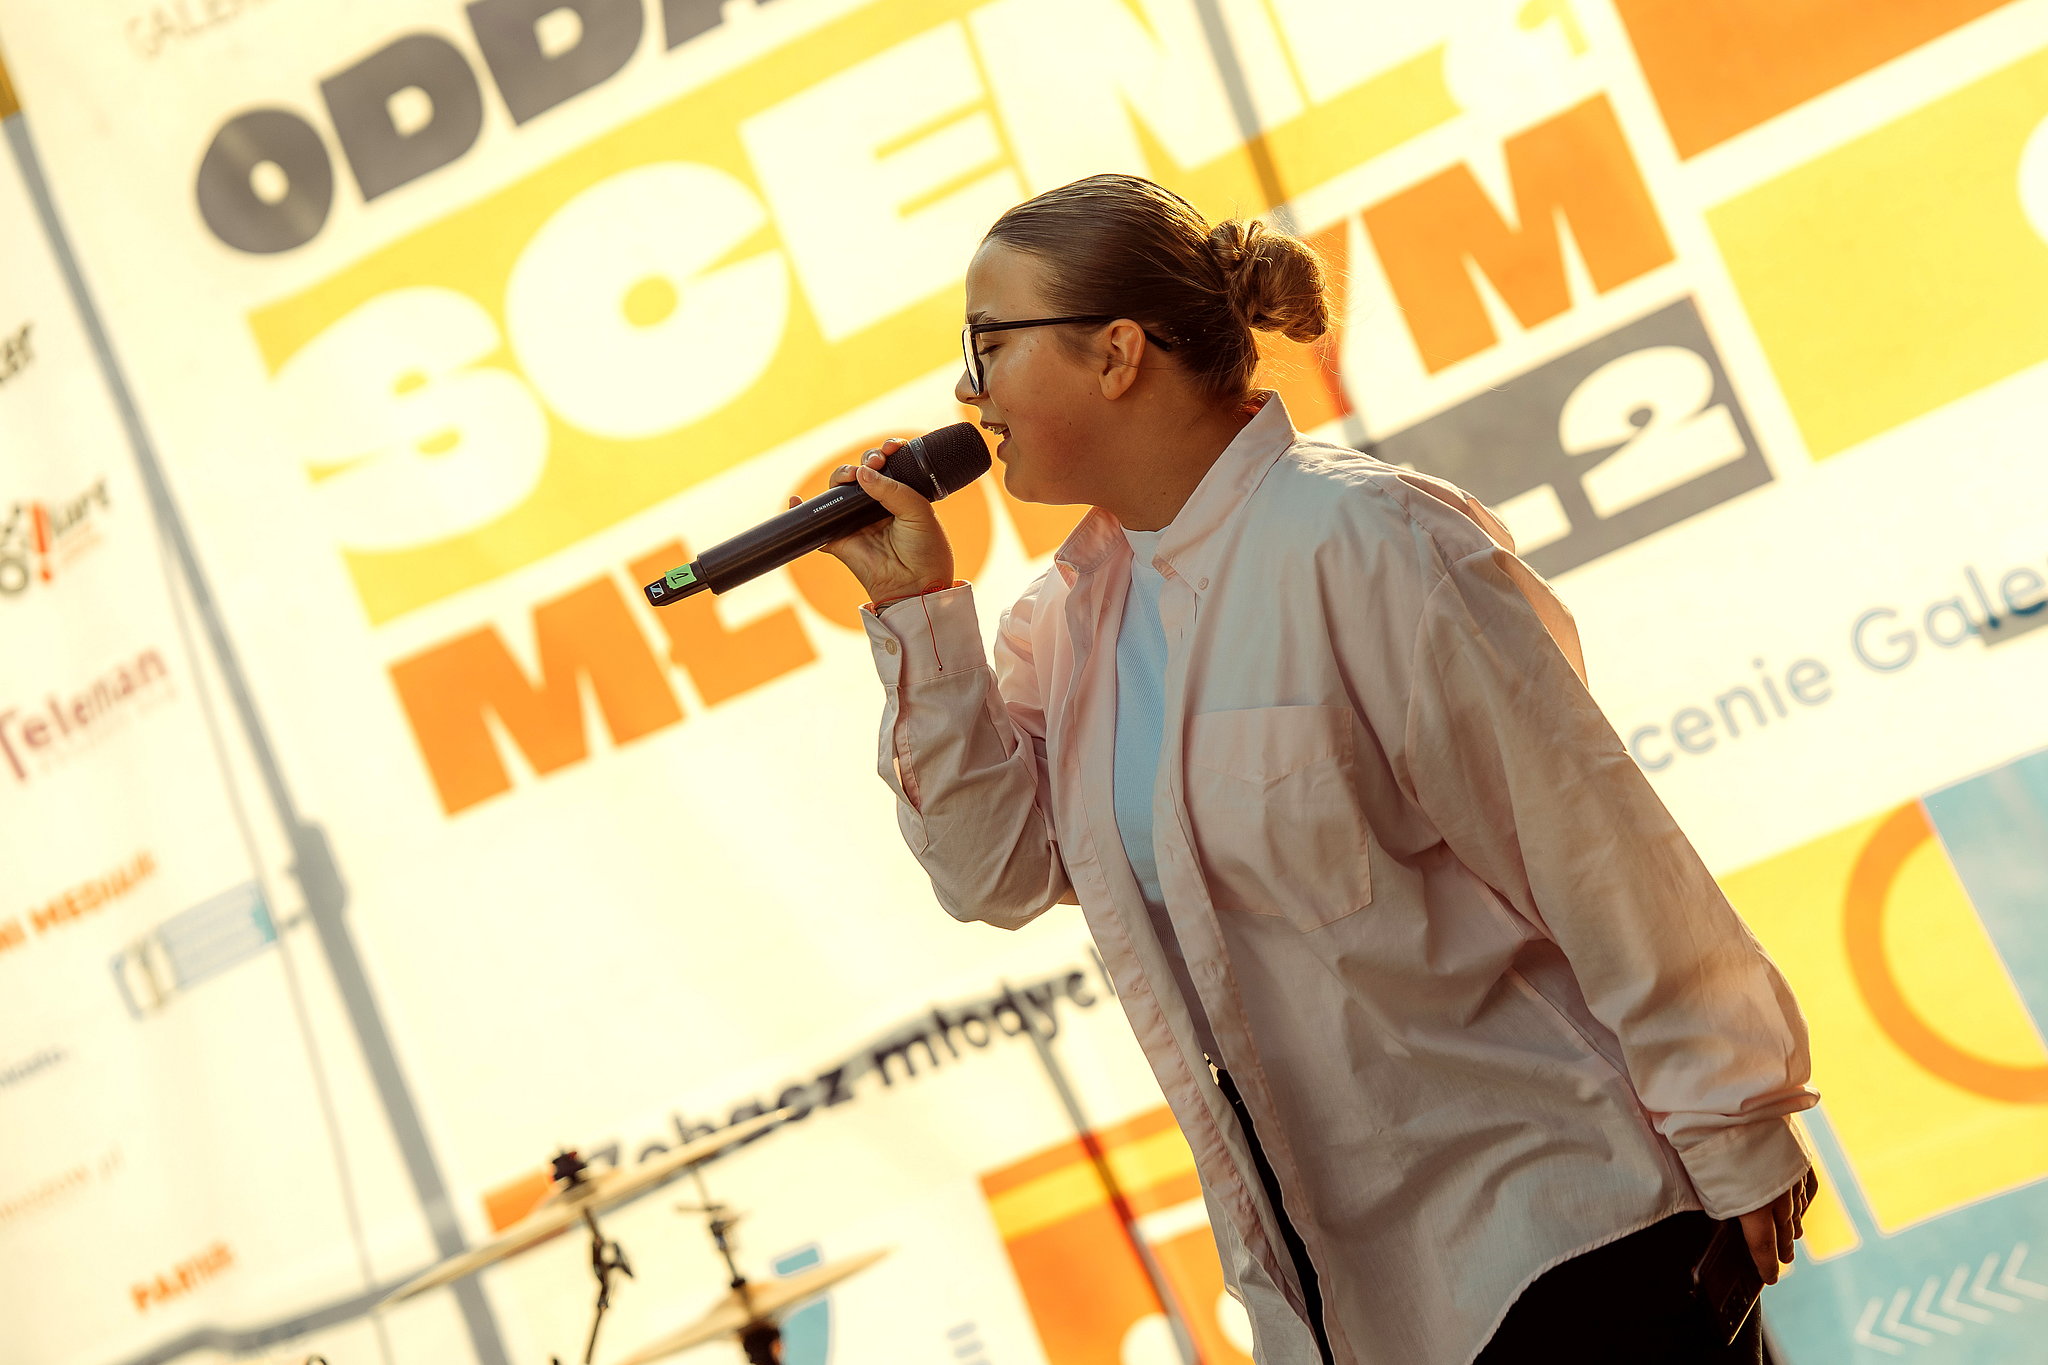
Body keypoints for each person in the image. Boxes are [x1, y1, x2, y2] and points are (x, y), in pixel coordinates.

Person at [806, 173, 1818, 1364]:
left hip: (1562, 1240)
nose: (965, 391)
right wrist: (917, 614)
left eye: (986, 343)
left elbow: (1587, 841)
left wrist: (1732, 1117)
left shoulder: (1367, 536)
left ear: (1116, 353)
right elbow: (993, 876)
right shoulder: (1066, 627)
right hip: (1348, 1307)